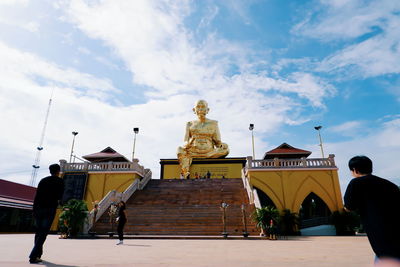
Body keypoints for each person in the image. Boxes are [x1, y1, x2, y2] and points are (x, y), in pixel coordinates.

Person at [344, 156, 400, 263]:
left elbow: (349, 207)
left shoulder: (356, 183)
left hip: (381, 236)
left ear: (355, 170)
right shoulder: (390, 185)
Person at [177, 100, 229, 178]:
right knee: (179, 149)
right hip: (194, 151)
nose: (200, 109)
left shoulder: (214, 123)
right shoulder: (189, 124)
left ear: (207, 110)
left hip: (209, 152)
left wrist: (222, 145)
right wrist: (186, 144)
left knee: (226, 149)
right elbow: (185, 140)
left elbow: (217, 142)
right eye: (198, 107)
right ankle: (185, 172)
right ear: (194, 110)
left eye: (203, 107)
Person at [29, 164, 64, 264]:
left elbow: (37, 195)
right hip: (49, 209)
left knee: (38, 232)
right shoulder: (60, 181)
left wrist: (34, 209)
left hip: (39, 208)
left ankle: (37, 255)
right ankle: (33, 255)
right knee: (43, 233)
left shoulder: (43, 180)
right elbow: (60, 196)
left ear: (50, 171)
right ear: (58, 171)